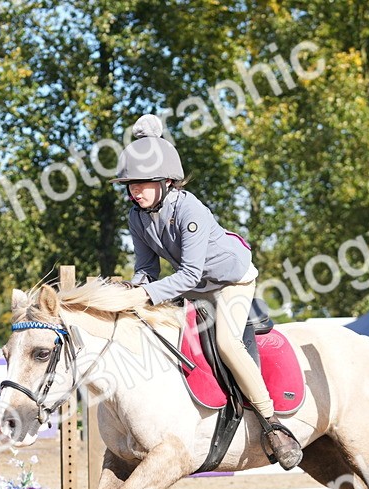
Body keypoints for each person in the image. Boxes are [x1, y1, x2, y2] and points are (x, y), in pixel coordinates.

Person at [112, 114, 302, 470]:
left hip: (231, 280)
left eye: (142, 183)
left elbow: (188, 273)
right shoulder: (136, 217)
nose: (134, 190)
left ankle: (272, 423)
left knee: (227, 343)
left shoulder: (190, 209)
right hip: (197, 286)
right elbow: (146, 270)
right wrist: (130, 292)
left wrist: (146, 294)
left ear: (167, 181)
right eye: (130, 184)